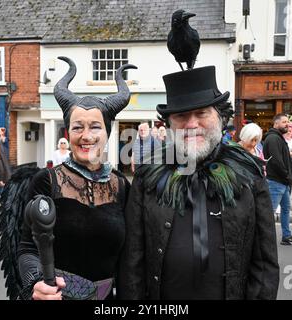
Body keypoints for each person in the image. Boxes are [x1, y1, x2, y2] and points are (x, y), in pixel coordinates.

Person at [118, 65, 279, 300]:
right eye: (181, 116)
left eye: (202, 113)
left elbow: (265, 263)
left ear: (221, 118)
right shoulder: (147, 177)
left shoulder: (249, 175)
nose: (191, 124)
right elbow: (133, 260)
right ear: (169, 124)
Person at [16, 57, 136, 300]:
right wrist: (37, 283)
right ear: (67, 133)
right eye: (77, 127)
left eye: (95, 127)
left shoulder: (121, 185)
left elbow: (129, 254)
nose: (86, 136)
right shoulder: (47, 180)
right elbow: (27, 247)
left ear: (107, 133)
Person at [263, 114, 292, 246]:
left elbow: (286, 160)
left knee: (285, 209)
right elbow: (276, 161)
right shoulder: (273, 138)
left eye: (288, 122)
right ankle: (263, 240)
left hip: (284, 182)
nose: (287, 124)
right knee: (269, 212)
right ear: (276, 124)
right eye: (284, 122)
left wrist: (289, 178)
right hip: (276, 182)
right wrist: (287, 176)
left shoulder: (279, 138)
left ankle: (286, 236)